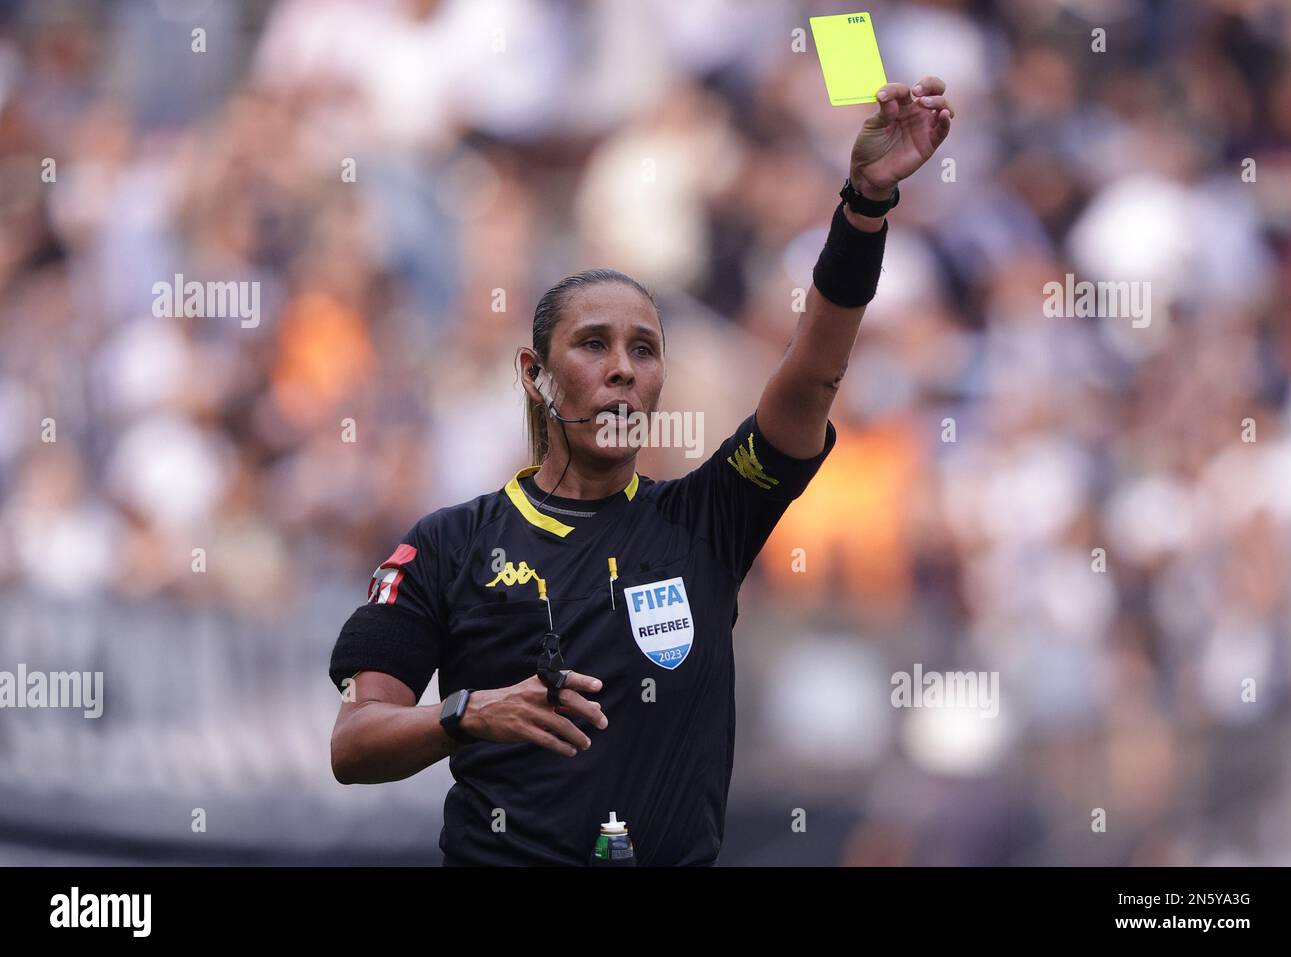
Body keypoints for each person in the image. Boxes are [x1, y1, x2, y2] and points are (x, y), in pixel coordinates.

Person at [327, 78, 954, 865]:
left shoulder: (708, 520)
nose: (623, 370)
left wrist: (864, 206)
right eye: (594, 345)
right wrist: (471, 712)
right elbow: (354, 743)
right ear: (534, 372)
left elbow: (812, 372)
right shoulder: (450, 544)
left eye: (645, 350)